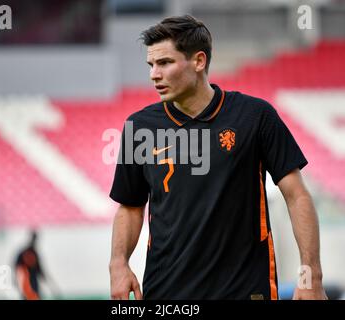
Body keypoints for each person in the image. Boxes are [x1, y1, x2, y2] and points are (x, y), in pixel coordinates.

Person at [109, 15, 327, 300]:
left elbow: (296, 195)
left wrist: (311, 275)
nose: (154, 74)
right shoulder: (138, 128)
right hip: (168, 294)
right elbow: (130, 207)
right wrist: (118, 264)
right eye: (151, 65)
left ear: (199, 61)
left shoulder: (255, 117)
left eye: (165, 63)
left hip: (245, 291)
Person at [14, 230, 49, 300]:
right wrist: (15, 279)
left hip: (33, 279)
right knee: (27, 296)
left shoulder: (34, 252)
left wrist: (43, 276)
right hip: (26, 279)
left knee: (35, 296)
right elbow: (16, 266)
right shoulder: (24, 252)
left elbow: (39, 268)